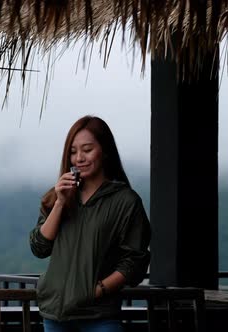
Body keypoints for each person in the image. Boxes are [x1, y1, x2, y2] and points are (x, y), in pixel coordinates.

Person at [29, 115, 151, 332]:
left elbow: (135, 261)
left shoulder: (125, 201)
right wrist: (60, 203)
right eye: (73, 152)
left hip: (99, 317)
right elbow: (39, 247)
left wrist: (98, 290)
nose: (79, 158)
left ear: (104, 151)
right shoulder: (58, 195)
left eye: (87, 149)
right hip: (54, 316)